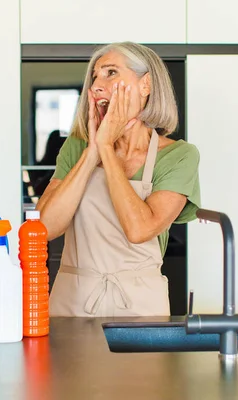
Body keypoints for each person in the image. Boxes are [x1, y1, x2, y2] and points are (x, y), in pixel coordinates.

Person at [37, 41, 201, 317]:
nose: (96, 86)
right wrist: (92, 152)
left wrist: (106, 150)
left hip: (140, 304)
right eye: (95, 76)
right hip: (72, 302)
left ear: (145, 85)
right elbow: (44, 228)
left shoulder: (179, 155)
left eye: (111, 73)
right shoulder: (77, 147)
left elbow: (139, 230)